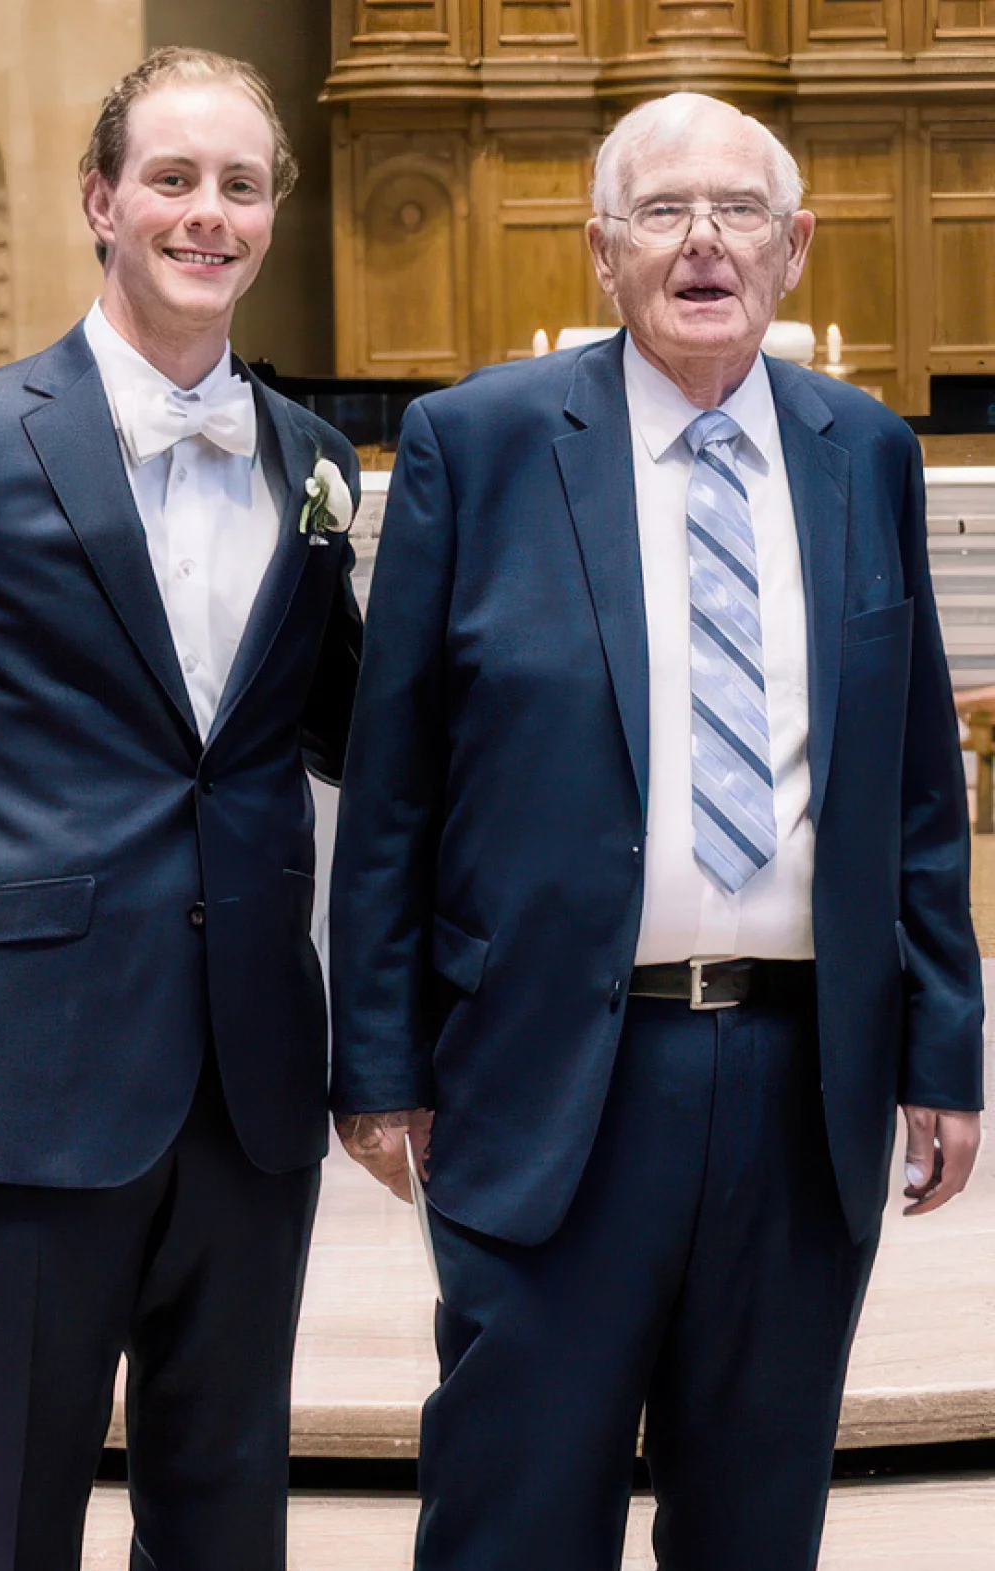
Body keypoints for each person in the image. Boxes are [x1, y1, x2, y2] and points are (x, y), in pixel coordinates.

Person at [330, 91, 983, 1571]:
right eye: (663, 212)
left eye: (739, 211)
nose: (704, 243)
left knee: (756, 1526)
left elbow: (912, 787)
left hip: (801, 1080)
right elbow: (394, 785)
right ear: (600, 251)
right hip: (552, 1072)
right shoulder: (477, 444)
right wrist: (376, 1064)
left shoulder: (865, 451)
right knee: (514, 1522)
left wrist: (944, 1046)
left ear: (796, 247)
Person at [0, 46, 361, 1571]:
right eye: (172, 178)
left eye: (240, 185)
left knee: (228, 1520)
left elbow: (351, 728)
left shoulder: (312, 464)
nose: (208, 213)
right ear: (102, 200)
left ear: (272, 216)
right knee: (9, 1529)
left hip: (251, 1092)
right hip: (22, 1093)